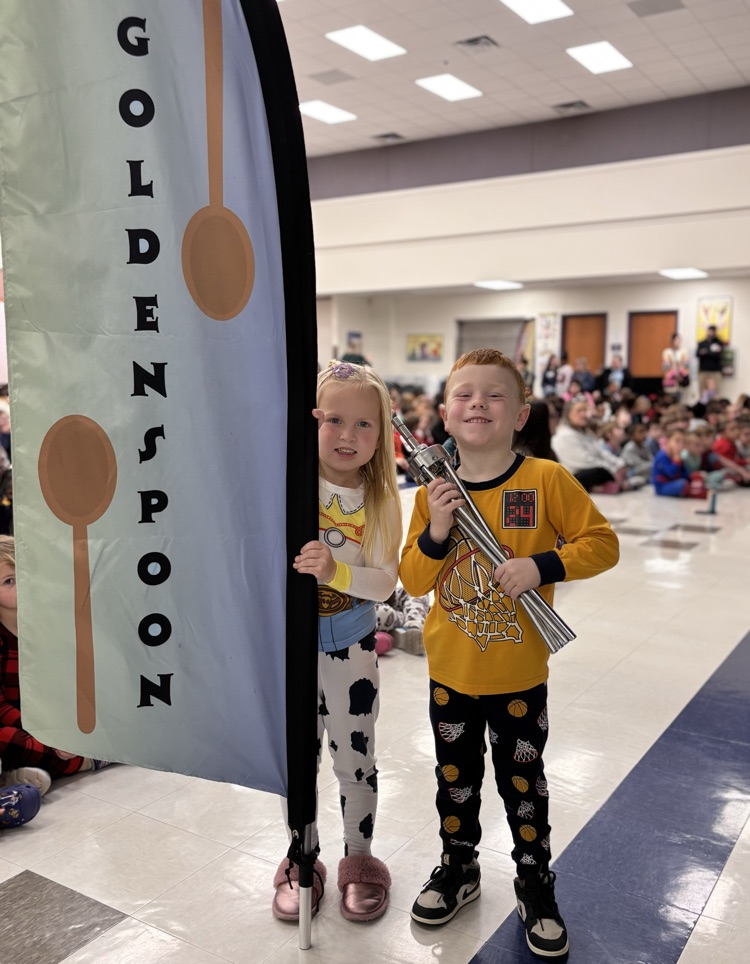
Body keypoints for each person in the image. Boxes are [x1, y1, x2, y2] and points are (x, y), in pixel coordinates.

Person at [400, 348, 619, 958]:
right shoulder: (433, 493)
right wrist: (437, 532)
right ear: (444, 414)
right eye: (464, 394)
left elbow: (603, 544)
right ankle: (459, 866)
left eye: (494, 395)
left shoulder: (545, 480)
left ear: (521, 413)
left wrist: (543, 565)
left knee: (524, 784)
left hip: (519, 674)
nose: (478, 404)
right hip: (450, 673)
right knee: (455, 781)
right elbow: (413, 579)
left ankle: (534, 878)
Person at [272, 360, 402, 924]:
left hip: (351, 647)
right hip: (290, 653)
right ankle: (303, 857)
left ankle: (360, 859)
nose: (348, 436)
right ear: (311, 420)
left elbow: (385, 580)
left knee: (356, 758)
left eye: (365, 425)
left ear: (384, 431)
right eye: (334, 420)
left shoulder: (381, 501)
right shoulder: (287, 481)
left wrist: (336, 573)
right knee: (295, 762)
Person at [0, 536, 111, 795]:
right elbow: (2, 706)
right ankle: (84, 760)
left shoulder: (52, 622)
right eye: (8, 581)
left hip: (59, 721)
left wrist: (64, 729)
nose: (21, 585)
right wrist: (46, 737)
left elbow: (72, 682)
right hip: (21, 727)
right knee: (5, 738)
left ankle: (26, 772)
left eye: (22, 574)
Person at [552, 399, 628, 493]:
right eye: (579, 411)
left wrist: (619, 465)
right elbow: (584, 460)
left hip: (596, 467)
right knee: (600, 471)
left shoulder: (587, 432)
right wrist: (612, 470)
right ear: (568, 413)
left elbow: (601, 452)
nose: (583, 414)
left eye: (585, 410)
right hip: (575, 474)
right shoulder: (563, 435)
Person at [375, 585, 431, 655]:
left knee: (417, 590)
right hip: (367, 608)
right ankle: (412, 618)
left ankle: (413, 626)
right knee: (384, 613)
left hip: (384, 596)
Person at [696, 325, 725, 394]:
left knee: (716, 392)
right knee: (702, 392)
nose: (711, 333)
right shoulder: (702, 343)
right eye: (710, 331)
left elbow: (717, 355)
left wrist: (705, 352)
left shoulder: (719, 343)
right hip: (703, 370)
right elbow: (698, 354)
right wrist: (711, 351)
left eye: (713, 332)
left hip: (715, 371)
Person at [661, 333, 690, 398]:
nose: (678, 342)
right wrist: (673, 374)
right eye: (676, 340)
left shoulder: (684, 352)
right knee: (669, 398)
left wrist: (681, 375)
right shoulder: (667, 352)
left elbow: (686, 365)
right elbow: (665, 366)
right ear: (672, 341)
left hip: (681, 380)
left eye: (679, 340)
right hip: (670, 379)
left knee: (679, 398)